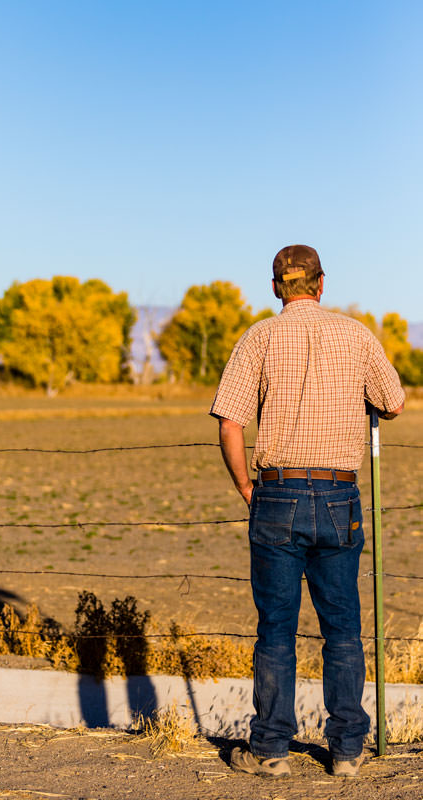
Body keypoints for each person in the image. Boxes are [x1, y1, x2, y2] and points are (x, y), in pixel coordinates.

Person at [210, 244, 404, 778]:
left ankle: (270, 749)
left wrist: (247, 487)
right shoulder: (357, 335)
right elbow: (393, 402)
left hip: (275, 493)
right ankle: (346, 750)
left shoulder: (259, 338)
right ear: (321, 284)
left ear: (276, 287)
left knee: (276, 629)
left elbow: (230, 422)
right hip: (341, 496)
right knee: (342, 627)